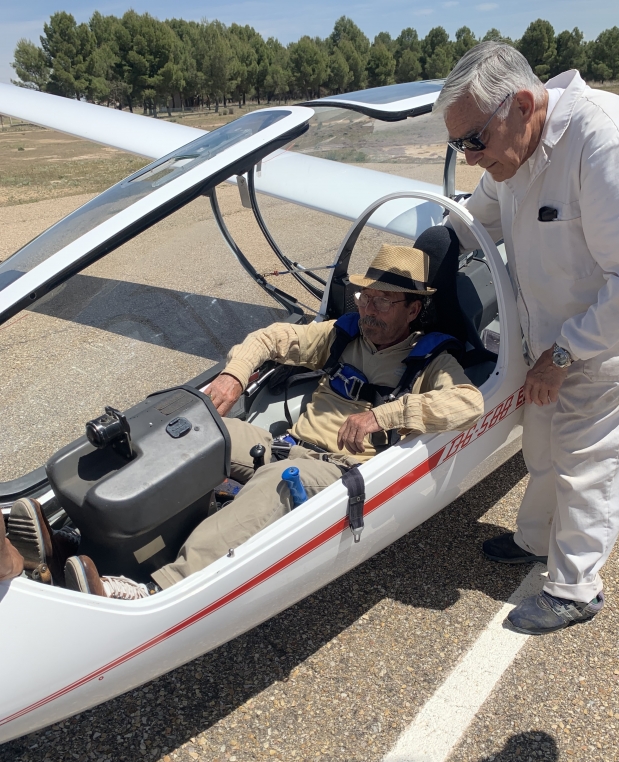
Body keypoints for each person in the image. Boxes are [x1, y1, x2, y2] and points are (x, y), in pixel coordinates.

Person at [2, 236, 484, 599]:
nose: (367, 306)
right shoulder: (343, 334)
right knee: (190, 429)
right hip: (282, 444)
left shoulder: (431, 362)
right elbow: (268, 338)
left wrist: (386, 415)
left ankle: (153, 589)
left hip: (335, 472)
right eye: (364, 295)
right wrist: (234, 376)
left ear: (414, 308)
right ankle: (70, 534)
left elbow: (469, 405)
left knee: (275, 483)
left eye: (382, 299)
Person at [436, 41, 619, 634]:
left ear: (523, 104)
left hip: (605, 340)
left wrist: (564, 352)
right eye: (458, 146)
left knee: (590, 459)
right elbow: (479, 219)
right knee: (543, 444)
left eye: (473, 140)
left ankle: (576, 587)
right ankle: (534, 540)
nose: (470, 157)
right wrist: (430, 253)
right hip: (547, 338)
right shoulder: (510, 151)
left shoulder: (598, 139)